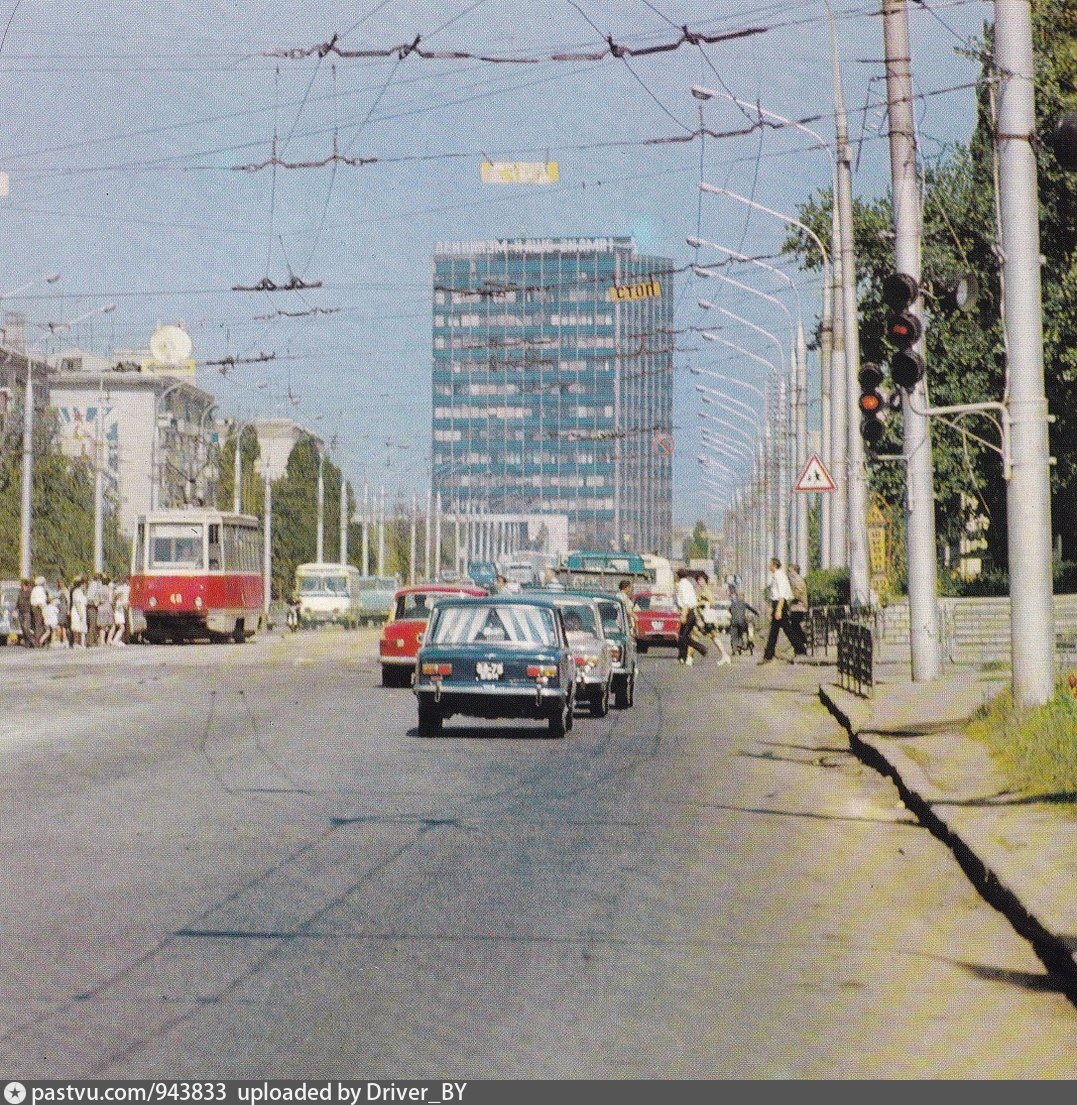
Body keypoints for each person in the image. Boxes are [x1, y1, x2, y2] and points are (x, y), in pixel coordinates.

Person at [760, 558, 807, 664]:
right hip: (778, 605)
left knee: (787, 630)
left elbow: (782, 595)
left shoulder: (779, 576)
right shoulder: (777, 576)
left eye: (770, 564)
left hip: (780, 605)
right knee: (775, 631)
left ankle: (800, 649)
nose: (769, 566)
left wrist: (778, 610)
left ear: (774, 565)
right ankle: (768, 655)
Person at [675, 568, 702, 665]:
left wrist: (683, 615)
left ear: (678, 576)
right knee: (682, 635)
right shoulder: (688, 584)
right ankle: (682, 656)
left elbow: (686, 602)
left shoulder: (682, 585)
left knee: (684, 637)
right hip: (690, 612)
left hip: (687, 612)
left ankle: (701, 648)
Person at [728, 585, 758, 657]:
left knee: (733, 635)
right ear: (743, 597)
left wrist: (733, 615)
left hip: (734, 622)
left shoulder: (733, 603)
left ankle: (734, 649)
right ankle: (740, 644)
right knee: (741, 633)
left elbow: (730, 610)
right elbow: (752, 609)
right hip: (742, 622)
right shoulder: (744, 603)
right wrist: (757, 613)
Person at [788, 563, 809, 657]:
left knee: (795, 626)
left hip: (799, 607)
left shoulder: (798, 580)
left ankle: (803, 642)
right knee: (794, 627)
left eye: (790, 571)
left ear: (795, 571)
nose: (789, 573)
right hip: (796, 607)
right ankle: (800, 646)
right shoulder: (795, 580)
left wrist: (789, 596)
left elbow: (798, 593)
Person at [70, 576, 88, 649]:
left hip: (82, 609)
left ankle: (82, 643)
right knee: (77, 627)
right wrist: (80, 612)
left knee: (81, 627)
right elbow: (77, 603)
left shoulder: (81, 592)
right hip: (77, 611)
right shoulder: (77, 591)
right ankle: (76, 643)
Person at [30, 576, 48, 647]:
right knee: (39, 625)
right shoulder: (40, 589)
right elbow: (41, 601)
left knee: (37, 625)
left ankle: (38, 640)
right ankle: (38, 641)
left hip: (34, 607)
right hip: (39, 608)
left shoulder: (34, 589)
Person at [85, 572, 102, 645]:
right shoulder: (94, 585)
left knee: (94, 624)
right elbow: (90, 597)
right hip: (92, 606)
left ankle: (94, 640)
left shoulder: (94, 584)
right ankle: (89, 641)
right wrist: (95, 602)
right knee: (92, 624)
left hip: (93, 606)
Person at [16, 578, 33, 647]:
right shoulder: (21, 591)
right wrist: (15, 608)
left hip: (27, 611)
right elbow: (18, 600)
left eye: (22, 584)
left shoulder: (29, 591)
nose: (21, 585)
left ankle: (30, 641)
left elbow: (31, 600)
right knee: (22, 627)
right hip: (20, 611)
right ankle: (26, 641)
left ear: (25, 584)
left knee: (26, 627)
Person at [98, 577, 115, 645]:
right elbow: (111, 600)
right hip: (107, 607)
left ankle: (102, 641)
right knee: (112, 625)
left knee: (102, 626)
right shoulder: (109, 590)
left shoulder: (99, 589)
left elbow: (98, 599)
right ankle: (109, 640)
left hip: (101, 608)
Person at [112, 578, 129, 645]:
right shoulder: (119, 602)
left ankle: (117, 640)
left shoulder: (118, 601)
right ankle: (115, 640)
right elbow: (125, 606)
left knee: (121, 628)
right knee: (122, 628)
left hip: (119, 615)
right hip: (119, 615)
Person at [55, 578, 69, 648]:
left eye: (61, 582)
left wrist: (68, 610)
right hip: (59, 609)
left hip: (63, 608)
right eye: (59, 582)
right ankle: (63, 640)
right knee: (60, 625)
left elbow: (68, 600)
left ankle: (63, 640)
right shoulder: (59, 590)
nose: (60, 584)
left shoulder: (65, 590)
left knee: (62, 625)